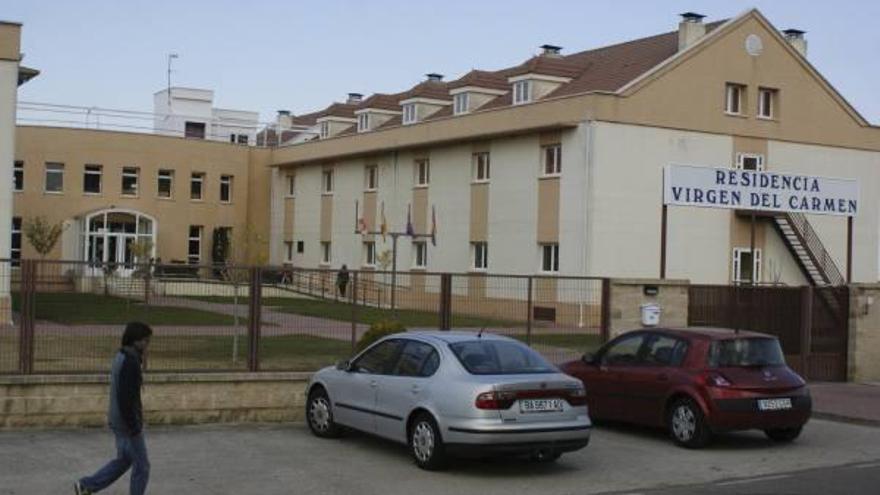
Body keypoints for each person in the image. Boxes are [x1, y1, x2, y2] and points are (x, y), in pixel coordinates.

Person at [75, 322, 152, 495]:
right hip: (127, 424)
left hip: (117, 420)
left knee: (124, 460)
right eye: (146, 341)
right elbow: (126, 399)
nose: (148, 346)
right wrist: (134, 427)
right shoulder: (130, 362)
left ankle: (86, 485)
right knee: (143, 466)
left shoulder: (121, 355)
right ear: (136, 341)